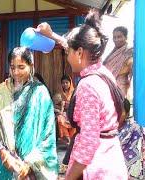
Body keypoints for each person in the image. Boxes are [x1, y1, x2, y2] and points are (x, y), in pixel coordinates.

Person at [37, 9, 128, 179]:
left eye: (68, 53)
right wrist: (52, 35)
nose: (67, 57)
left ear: (79, 53)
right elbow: (72, 46)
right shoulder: (103, 72)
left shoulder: (88, 86)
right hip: (112, 161)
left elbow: (88, 143)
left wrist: (68, 177)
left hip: (96, 169)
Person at [0, 47, 59, 179]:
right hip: (5, 164)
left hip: (32, 165)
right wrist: (2, 152)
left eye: (21, 67)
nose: (16, 72)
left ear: (31, 66)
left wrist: (30, 163)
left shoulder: (40, 93)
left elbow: (48, 134)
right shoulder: (2, 91)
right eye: (12, 67)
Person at [103, 26, 133, 97]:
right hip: (107, 87)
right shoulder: (113, 53)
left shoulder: (129, 52)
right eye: (114, 37)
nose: (116, 39)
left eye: (119, 37)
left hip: (119, 89)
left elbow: (133, 72)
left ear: (126, 37)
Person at [119, 99, 145, 179]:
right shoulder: (102, 133)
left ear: (127, 114)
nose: (116, 115)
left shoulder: (137, 130)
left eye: (120, 111)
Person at [53, 75, 76, 145]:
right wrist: (60, 108)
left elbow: (78, 104)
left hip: (72, 113)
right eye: (63, 83)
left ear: (70, 83)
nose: (65, 84)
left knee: (75, 119)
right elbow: (53, 105)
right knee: (60, 118)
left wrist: (70, 105)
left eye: (67, 82)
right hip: (62, 113)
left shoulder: (74, 93)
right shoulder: (59, 93)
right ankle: (67, 138)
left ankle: (72, 139)